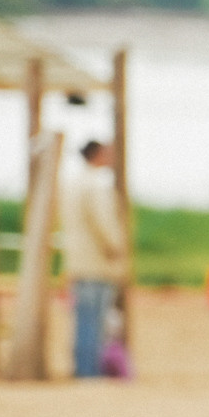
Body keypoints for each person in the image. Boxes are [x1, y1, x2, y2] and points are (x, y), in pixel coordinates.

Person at [63, 140, 129, 378]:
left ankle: (82, 368)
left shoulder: (72, 183)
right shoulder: (96, 185)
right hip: (97, 262)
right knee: (95, 321)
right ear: (98, 155)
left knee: (82, 320)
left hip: (78, 261)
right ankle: (89, 371)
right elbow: (104, 224)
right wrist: (117, 247)